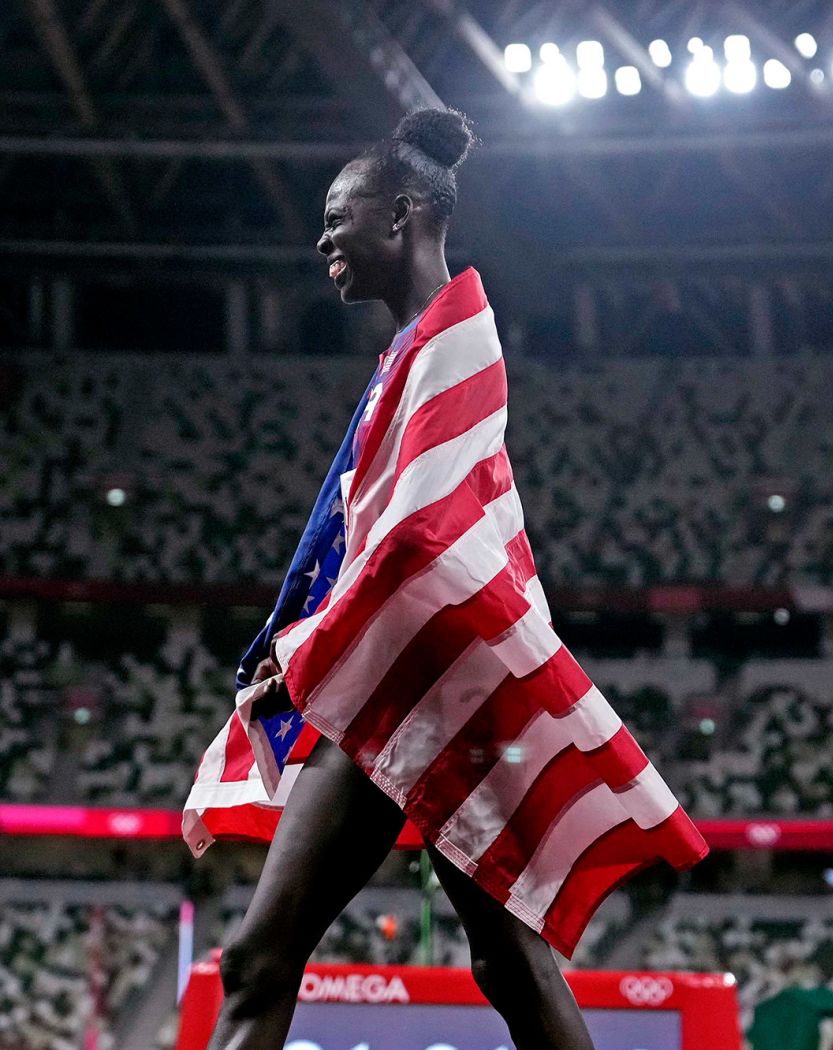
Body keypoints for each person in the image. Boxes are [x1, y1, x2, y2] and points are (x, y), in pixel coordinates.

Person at [191, 108, 706, 1050]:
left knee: (264, 960)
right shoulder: (412, 350)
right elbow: (389, 540)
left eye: (338, 217)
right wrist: (312, 645)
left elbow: (423, 537)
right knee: (503, 964)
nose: (321, 238)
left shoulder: (460, 339)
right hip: (412, 672)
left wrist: (304, 650)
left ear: (400, 218)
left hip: (421, 683)